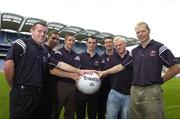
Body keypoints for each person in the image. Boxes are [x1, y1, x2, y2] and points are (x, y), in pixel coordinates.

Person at [3, 22, 90, 119]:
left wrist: (79, 71)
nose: (42, 34)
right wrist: (12, 86)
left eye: (45, 32)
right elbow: (8, 65)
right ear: (31, 30)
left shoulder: (44, 52)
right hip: (23, 92)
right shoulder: (21, 43)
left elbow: (59, 64)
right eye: (39, 31)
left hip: (38, 94)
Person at [97, 22, 180, 119]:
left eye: (143, 31)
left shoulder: (159, 47)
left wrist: (161, 80)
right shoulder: (135, 51)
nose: (140, 34)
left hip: (151, 90)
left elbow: (176, 67)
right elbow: (121, 66)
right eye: (138, 32)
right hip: (135, 91)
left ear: (149, 31)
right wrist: (104, 72)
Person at [52, 33, 79, 119]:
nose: (71, 42)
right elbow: (59, 68)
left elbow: (78, 68)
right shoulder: (59, 52)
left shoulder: (76, 55)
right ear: (65, 41)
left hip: (74, 86)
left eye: (73, 41)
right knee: (55, 110)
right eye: (69, 40)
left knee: (70, 113)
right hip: (61, 85)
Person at [75, 35, 103, 119]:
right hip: (80, 91)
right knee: (80, 115)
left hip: (94, 92)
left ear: (96, 44)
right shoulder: (79, 56)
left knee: (92, 115)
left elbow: (101, 75)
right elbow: (76, 71)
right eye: (90, 42)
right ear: (86, 43)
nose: (91, 45)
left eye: (94, 43)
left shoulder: (100, 58)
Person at [105, 36, 133, 119]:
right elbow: (106, 72)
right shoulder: (111, 58)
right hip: (114, 93)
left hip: (129, 94)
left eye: (120, 45)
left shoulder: (133, 57)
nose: (118, 47)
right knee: (110, 117)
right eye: (116, 46)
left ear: (125, 44)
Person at [98, 37, 114, 119]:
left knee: (115, 111)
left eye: (110, 42)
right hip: (103, 88)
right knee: (101, 110)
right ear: (104, 44)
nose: (108, 44)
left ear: (113, 43)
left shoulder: (118, 56)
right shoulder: (100, 57)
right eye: (106, 42)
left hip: (115, 88)